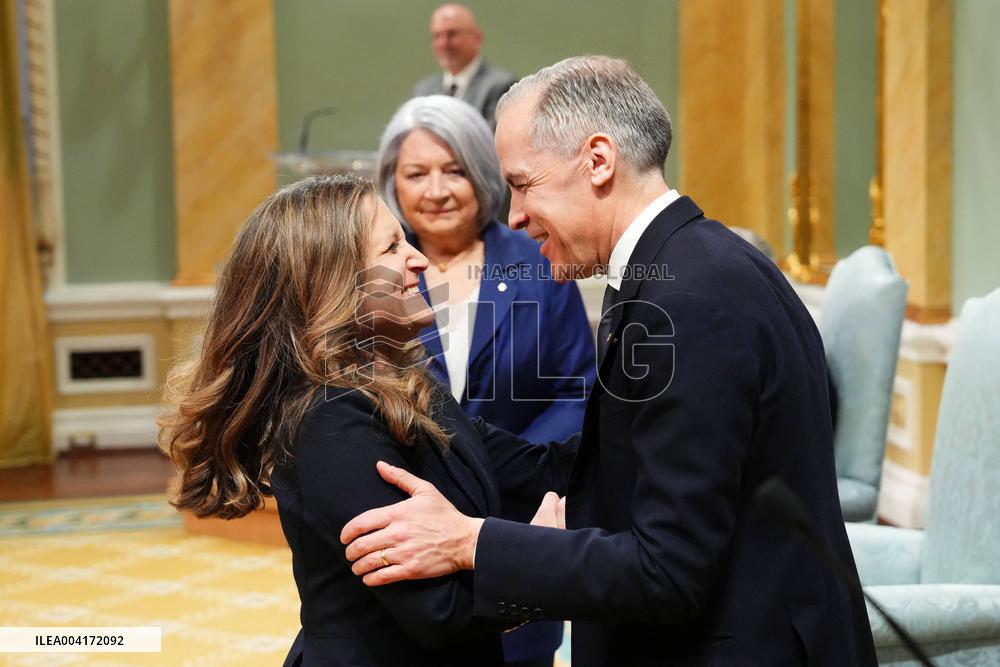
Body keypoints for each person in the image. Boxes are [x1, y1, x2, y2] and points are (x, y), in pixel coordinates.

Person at [341, 56, 878, 666]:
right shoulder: (688, 262)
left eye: (523, 183)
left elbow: (667, 570)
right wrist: (428, 421)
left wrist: (472, 543)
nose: (514, 215)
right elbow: (614, 461)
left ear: (598, 160)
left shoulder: (690, 300)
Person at [158, 175, 531, 666]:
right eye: (392, 247)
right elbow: (440, 611)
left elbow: (532, 466)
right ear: (334, 282)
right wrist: (538, 555)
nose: (419, 259)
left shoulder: (409, 386)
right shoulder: (330, 420)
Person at [378, 94, 595, 667]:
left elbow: (575, 387)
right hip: (410, 517)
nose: (436, 190)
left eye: (453, 170)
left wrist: (503, 466)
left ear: (480, 173)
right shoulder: (377, 272)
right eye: (416, 173)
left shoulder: (537, 256)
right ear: (392, 182)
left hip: (518, 518)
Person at [412, 4, 516, 127]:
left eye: (452, 34)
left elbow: (492, 136)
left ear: (477, 37)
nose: (443, 43)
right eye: (437, 36)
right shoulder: (423, 91)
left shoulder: (501, 87)